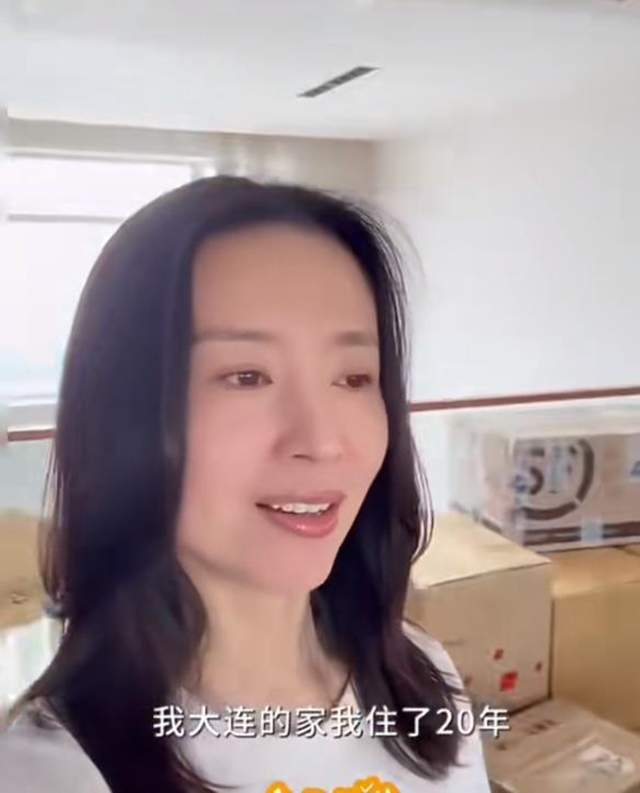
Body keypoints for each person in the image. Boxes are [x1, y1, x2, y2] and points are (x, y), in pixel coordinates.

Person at [0, 176, 491, 793]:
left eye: (353, 378)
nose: (322, 441)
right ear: (123, 416)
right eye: (247, 376)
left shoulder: (422, 678)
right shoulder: (54, 772)